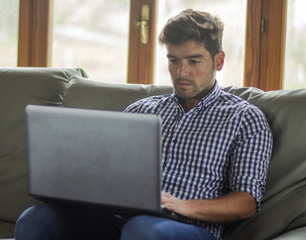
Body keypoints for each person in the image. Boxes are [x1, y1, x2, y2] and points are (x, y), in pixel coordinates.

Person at [15, 9, 273, 240]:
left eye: (194, 61)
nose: (181, 72)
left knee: (142, 229)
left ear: (218, 60)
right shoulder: (141, 109)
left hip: (186, 227)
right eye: (173, 60)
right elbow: (110, 175)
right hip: (118, 220)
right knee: (35, 219)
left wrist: (183, 205)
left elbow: (246, 202)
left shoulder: (245, 118)